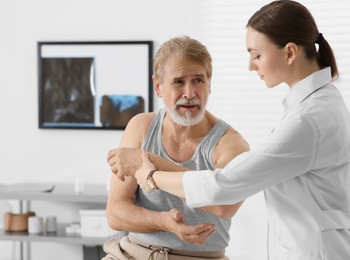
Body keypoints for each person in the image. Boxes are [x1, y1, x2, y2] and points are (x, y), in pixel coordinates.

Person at [119, 1, 350, 259]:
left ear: (290, 52)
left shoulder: (310, 119)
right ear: (158, 87)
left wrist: (151, 173)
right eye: (178, 82)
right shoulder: (316, 105)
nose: (250, 65)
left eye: (256, 54)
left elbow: (225, 187)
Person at [104, 36, 249, 259]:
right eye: (178, 81)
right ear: (158, 86)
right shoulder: (141, 127)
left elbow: (224, 204)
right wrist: (163, 222)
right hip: (132, 252)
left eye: (198, 80)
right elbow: (115, 214)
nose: (189, 93)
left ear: (210, 84)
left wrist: (155, 167)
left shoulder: (229, 144)